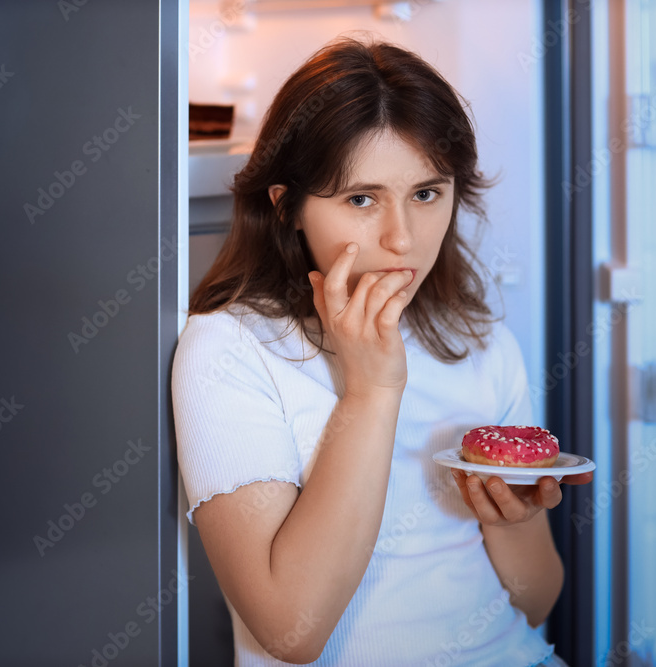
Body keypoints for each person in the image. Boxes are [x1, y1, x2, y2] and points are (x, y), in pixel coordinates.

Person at [172, 36, 591, 666]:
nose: (402, 239)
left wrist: (516, 520)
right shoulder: (230, 349)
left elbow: (533, 605)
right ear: (288, 209)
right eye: (361, 199)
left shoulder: (478, 342)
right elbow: (290, 631)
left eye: (427, 194)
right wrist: (370, 392)